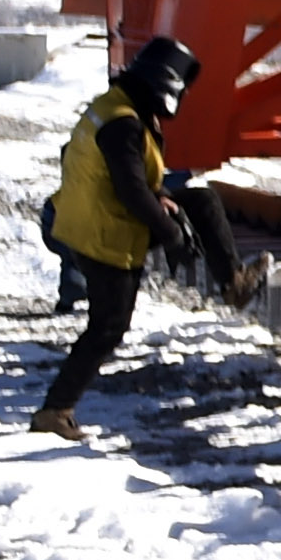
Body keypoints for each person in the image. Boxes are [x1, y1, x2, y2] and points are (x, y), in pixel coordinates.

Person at [31, 35, 240, 438]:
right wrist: (171, 234)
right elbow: (129, 191)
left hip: (88, 221)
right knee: (108, 326)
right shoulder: (124, 123)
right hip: (103, 234)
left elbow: (124, 178)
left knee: (201, 200)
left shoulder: (114, 109)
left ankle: (234, 282)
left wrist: (161, 199)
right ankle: (53, 412)